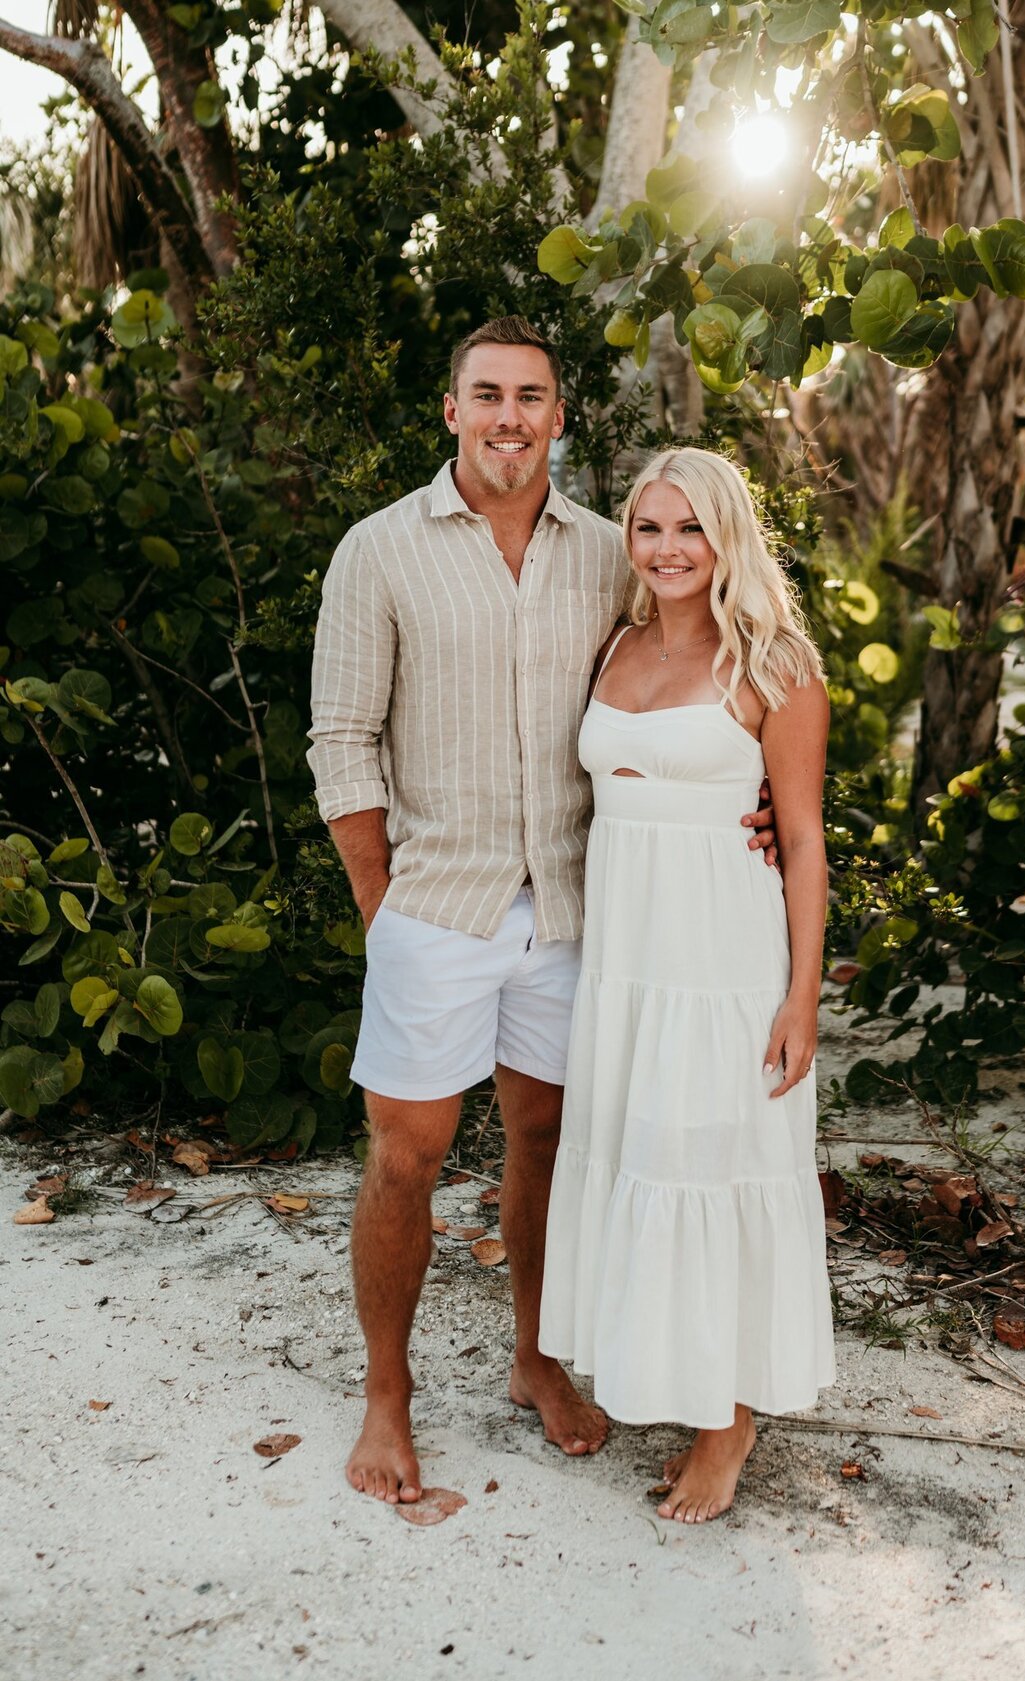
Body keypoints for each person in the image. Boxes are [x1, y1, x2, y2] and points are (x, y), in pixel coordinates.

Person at [306, 319, 777, 1505]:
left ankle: (534, 1362)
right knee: (406, 1156)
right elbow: (340, 741)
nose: (510, 415)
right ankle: (386, 1399)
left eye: (533, 396)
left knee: (549, 1142)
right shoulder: (379, 551)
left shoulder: (609, 553)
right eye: (487, 395)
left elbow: (700, 655)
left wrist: (755, 793)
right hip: (437, 906)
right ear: (451, 410)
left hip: (578, 911)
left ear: (560, 416)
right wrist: (383, 906)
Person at [539, 446, 837, 1525]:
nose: (668, 549)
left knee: (722, 1162)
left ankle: (731, 1422)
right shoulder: (613, 646)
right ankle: (677, 1380)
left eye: (690, 529)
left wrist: (801, 997)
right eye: (649, 528)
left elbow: (801, 840)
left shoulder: (777, 666)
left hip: (723, 958)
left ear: (728, 538)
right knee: (646, 1157)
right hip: (627, 960)